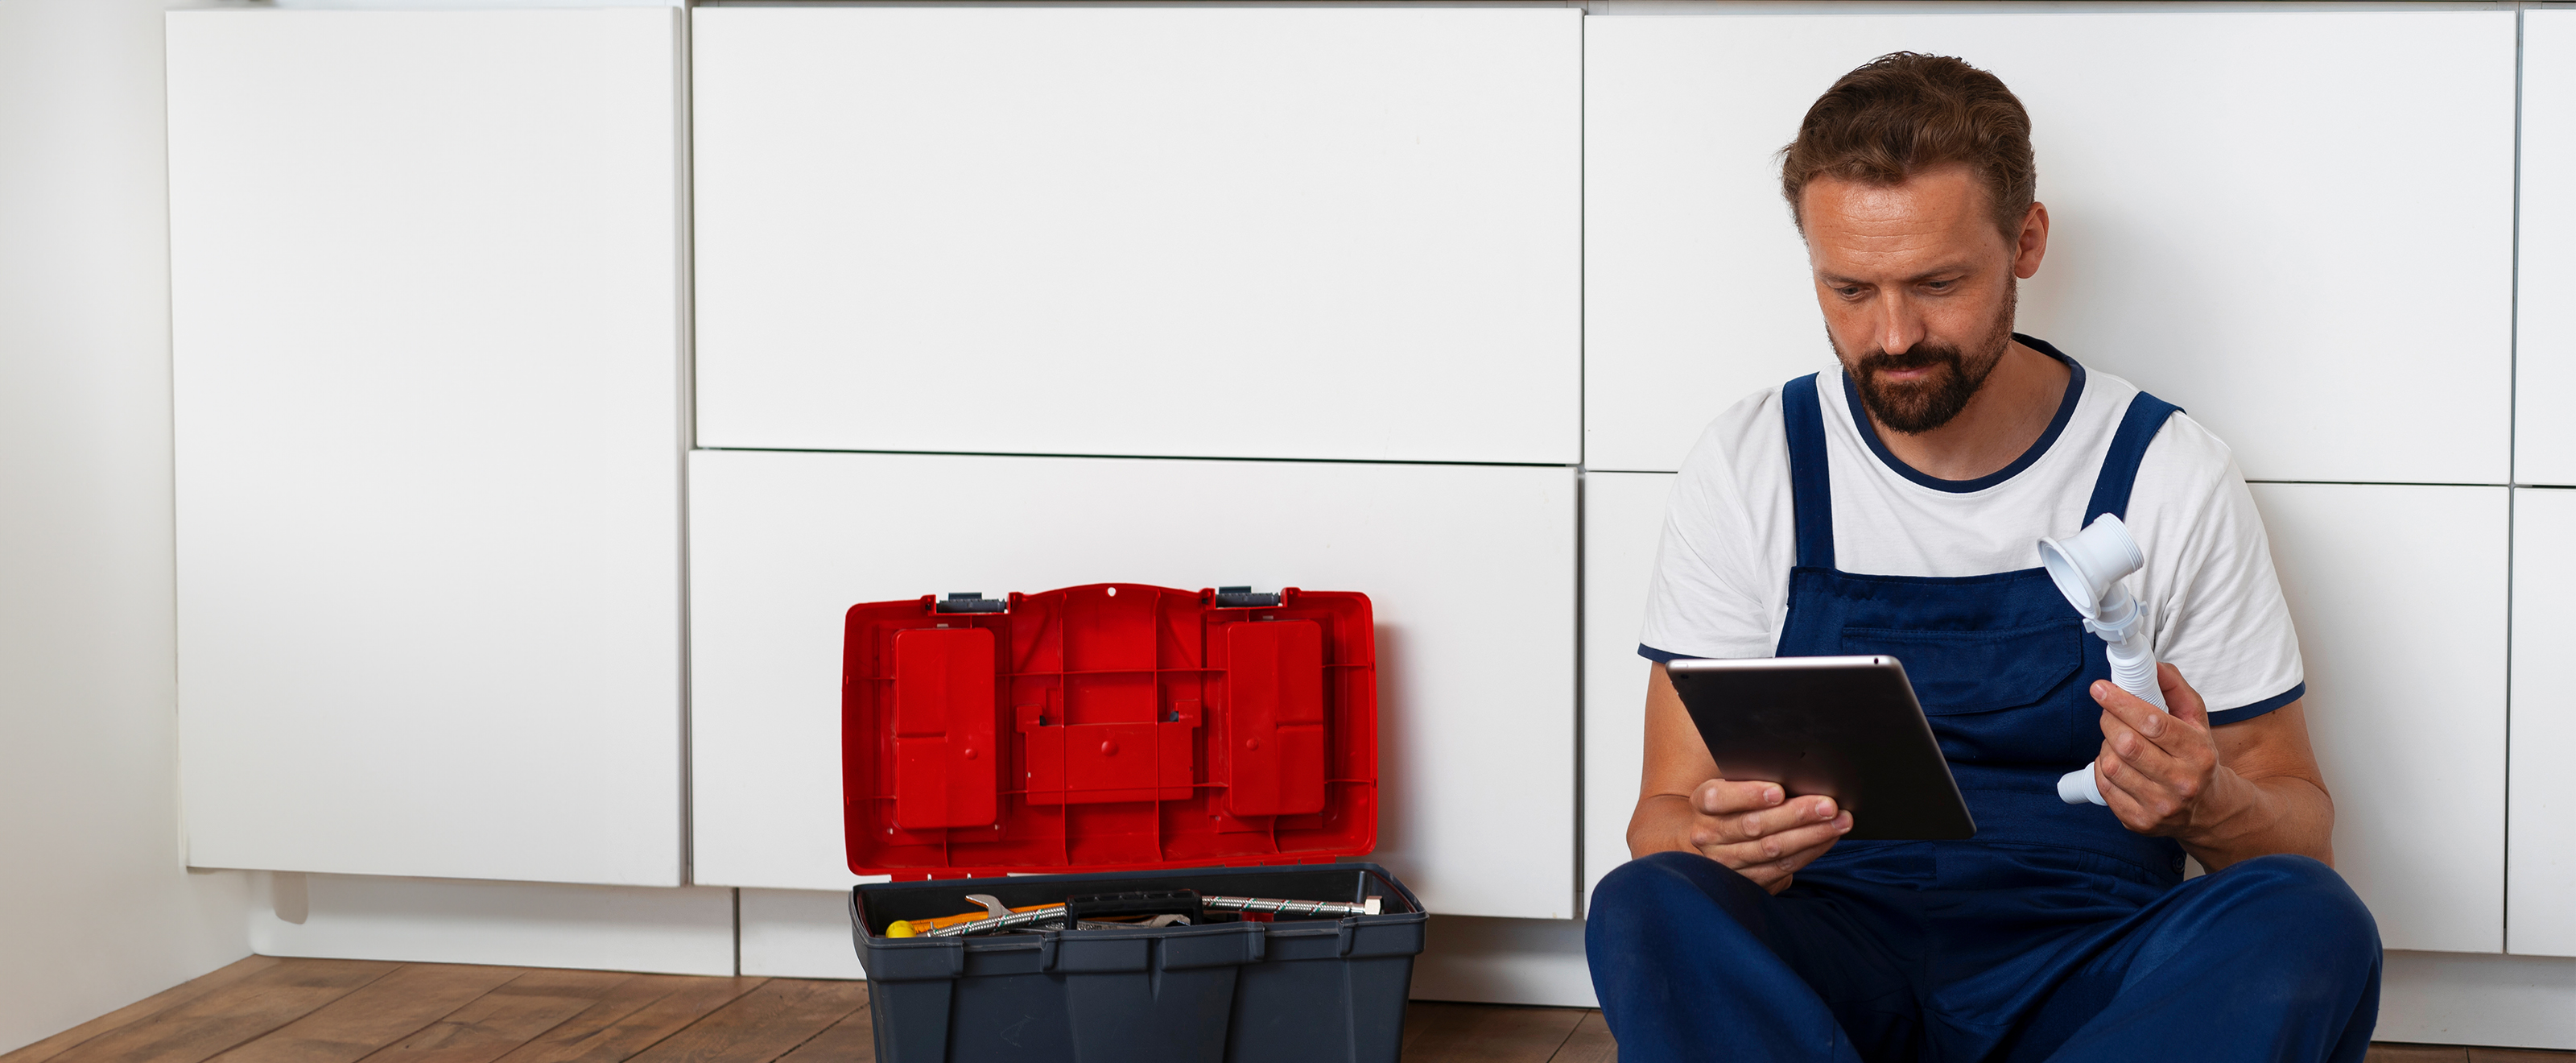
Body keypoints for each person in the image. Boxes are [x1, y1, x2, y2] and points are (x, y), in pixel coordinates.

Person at [1584, 52, 2380, 1063]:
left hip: (2085, 965)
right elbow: (1658, 817)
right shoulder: (1753, 462)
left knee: (2308, 917)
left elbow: (2298, 828)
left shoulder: (2164, 469)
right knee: (1643, 904)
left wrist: (2208, 801)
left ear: (2026, 242)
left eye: (1938, 283)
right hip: (1829, 958)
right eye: (1847, 289)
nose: (1893, 334)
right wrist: (1718, 842)